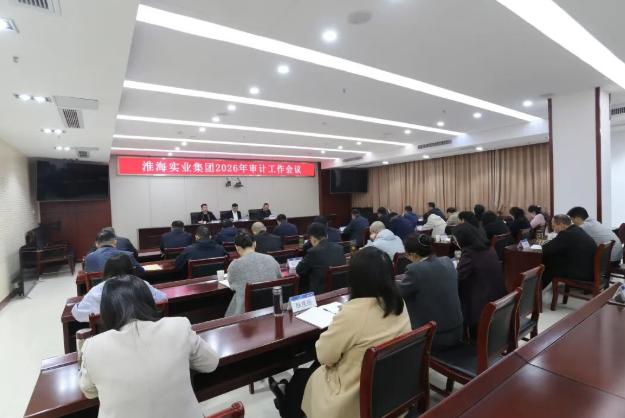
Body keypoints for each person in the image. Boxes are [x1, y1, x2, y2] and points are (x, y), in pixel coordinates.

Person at [78, 275, 218, 418]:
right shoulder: (178, 326)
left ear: (106, 311)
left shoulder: (93, 346)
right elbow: (211, 363)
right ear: (149, 301)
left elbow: (89, 392)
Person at [298, 247, 411, 418]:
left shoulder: (353, 313)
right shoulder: (399, 303)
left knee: (303, 381)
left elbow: (324, 356)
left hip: (357, 399)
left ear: (355, 280)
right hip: (393, 390)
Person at [398, 234, 463, 349]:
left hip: (434, 336)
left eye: (407, 255)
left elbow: (399, 293)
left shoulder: (415, 269)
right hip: (457, 329)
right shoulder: (447, 261)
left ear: (413, 255)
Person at [72, 254, 166, 322]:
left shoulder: (96, 291)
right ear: (131, 269)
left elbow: (79, 314)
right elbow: (163, 299)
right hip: (143, 335)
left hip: (110, 338)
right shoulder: (142, 284)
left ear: (106, 271)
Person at [454, 223, 506, 330]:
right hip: (498, 301)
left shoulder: (469, 253)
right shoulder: (489, 248)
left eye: (455, 240)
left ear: (462, 239)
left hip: (480, 309)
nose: (456, 243)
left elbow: (457, 278)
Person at [225, 231, 282, 316]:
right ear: (255, 244)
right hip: (273, 307)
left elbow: (232, 286)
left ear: (237, 248)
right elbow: (279, 278)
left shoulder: (234, 265)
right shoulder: (270, 259)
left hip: (246, 313)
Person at [542, 214, 598, 288]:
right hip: (590, 270)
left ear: (561, 224)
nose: (553, 229)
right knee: (553, 257)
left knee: (547, 262)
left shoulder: (566, 234)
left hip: (581, 273)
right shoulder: (577, 229)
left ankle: (539, 289)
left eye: (554, 226)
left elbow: (546, 249)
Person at [296, 222, 346, 294]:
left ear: (312, 238)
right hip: (339, 290)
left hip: (320, 293)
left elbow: (299, 270)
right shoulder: (339, 248)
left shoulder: (313, 252)